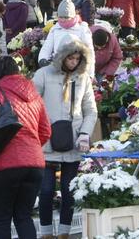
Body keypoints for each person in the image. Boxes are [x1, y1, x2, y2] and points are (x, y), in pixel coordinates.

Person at [0, 57, 51, 239]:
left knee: (2, 218)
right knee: (24, 216)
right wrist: (30, 148)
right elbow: (46, 131)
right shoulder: (34, 94)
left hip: (3, 166)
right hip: (34, 165)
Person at [32, 38, 98, 239]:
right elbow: (32, 105)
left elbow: (90, 110)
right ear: (62, 57)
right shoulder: (43, 74)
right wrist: (37, 132)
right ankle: (45, 233)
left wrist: (85, 133)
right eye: (70, 57)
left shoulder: (83, 78)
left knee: (69, 191)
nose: (73, 62)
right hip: (46, 143)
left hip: (74, 142)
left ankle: (64, 232)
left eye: (78, 58)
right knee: (45, 191)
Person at [37, 0, 94, 75]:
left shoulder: (82, 30)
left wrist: (90, 74)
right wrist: (43, 60)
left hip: (76, 69)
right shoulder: (55, 29)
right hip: (57, 68)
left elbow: (89, 53)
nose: (63, 20)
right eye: (61, 17)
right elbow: (46, 48)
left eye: (66, 17)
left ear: (73, 16)